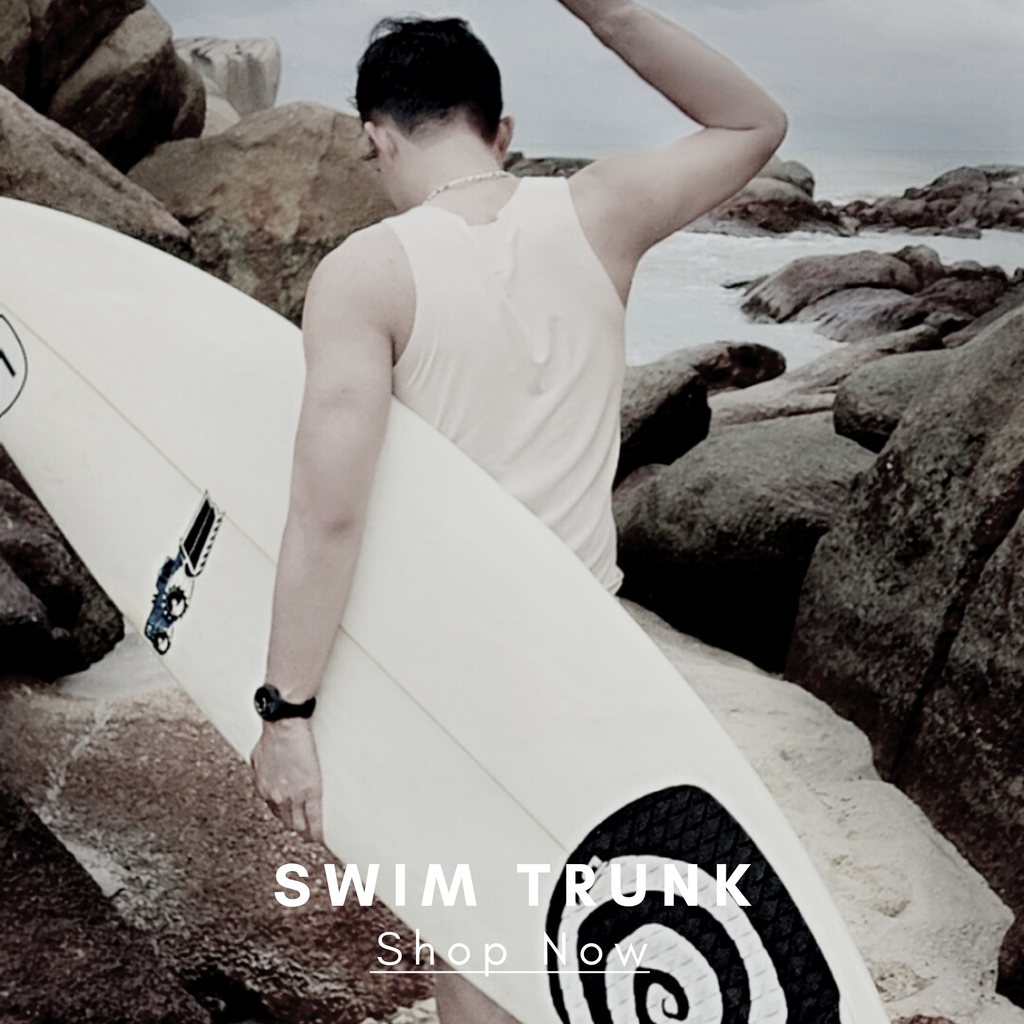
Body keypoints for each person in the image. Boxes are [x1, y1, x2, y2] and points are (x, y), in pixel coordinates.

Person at [251, 2, 785, 1020]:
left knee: (481, 943)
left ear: (376, 136)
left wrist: (287, 710)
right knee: (579, 933)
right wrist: (606, 12)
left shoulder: (367, 272)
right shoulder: (601, 210)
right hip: (592, 652)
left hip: (452, 670)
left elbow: (328, 514)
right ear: (499, 129)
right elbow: (755, 123)